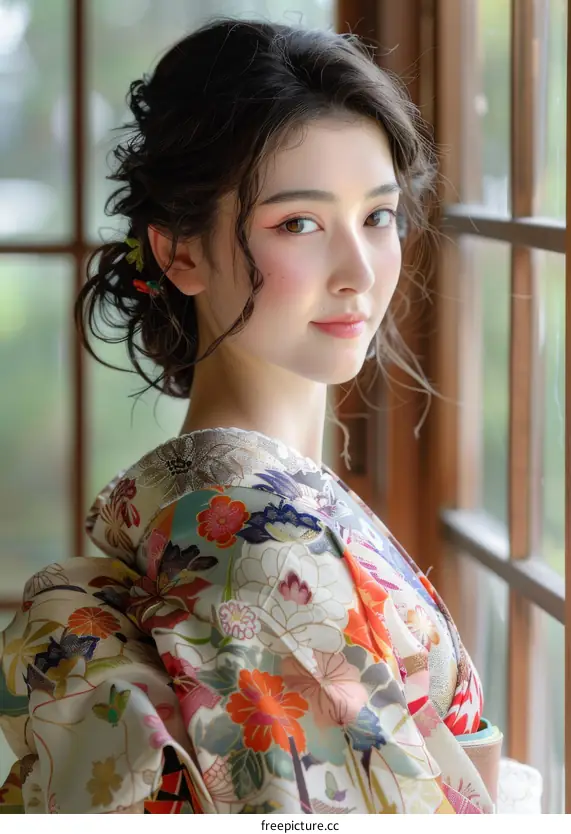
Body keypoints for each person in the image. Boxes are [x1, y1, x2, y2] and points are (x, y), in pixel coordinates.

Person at [0, 18, 501, 814]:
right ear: (179, 254)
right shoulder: (259, 541)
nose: (360, 273)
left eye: (378, 216)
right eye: (298, 223)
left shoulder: (225, 508)